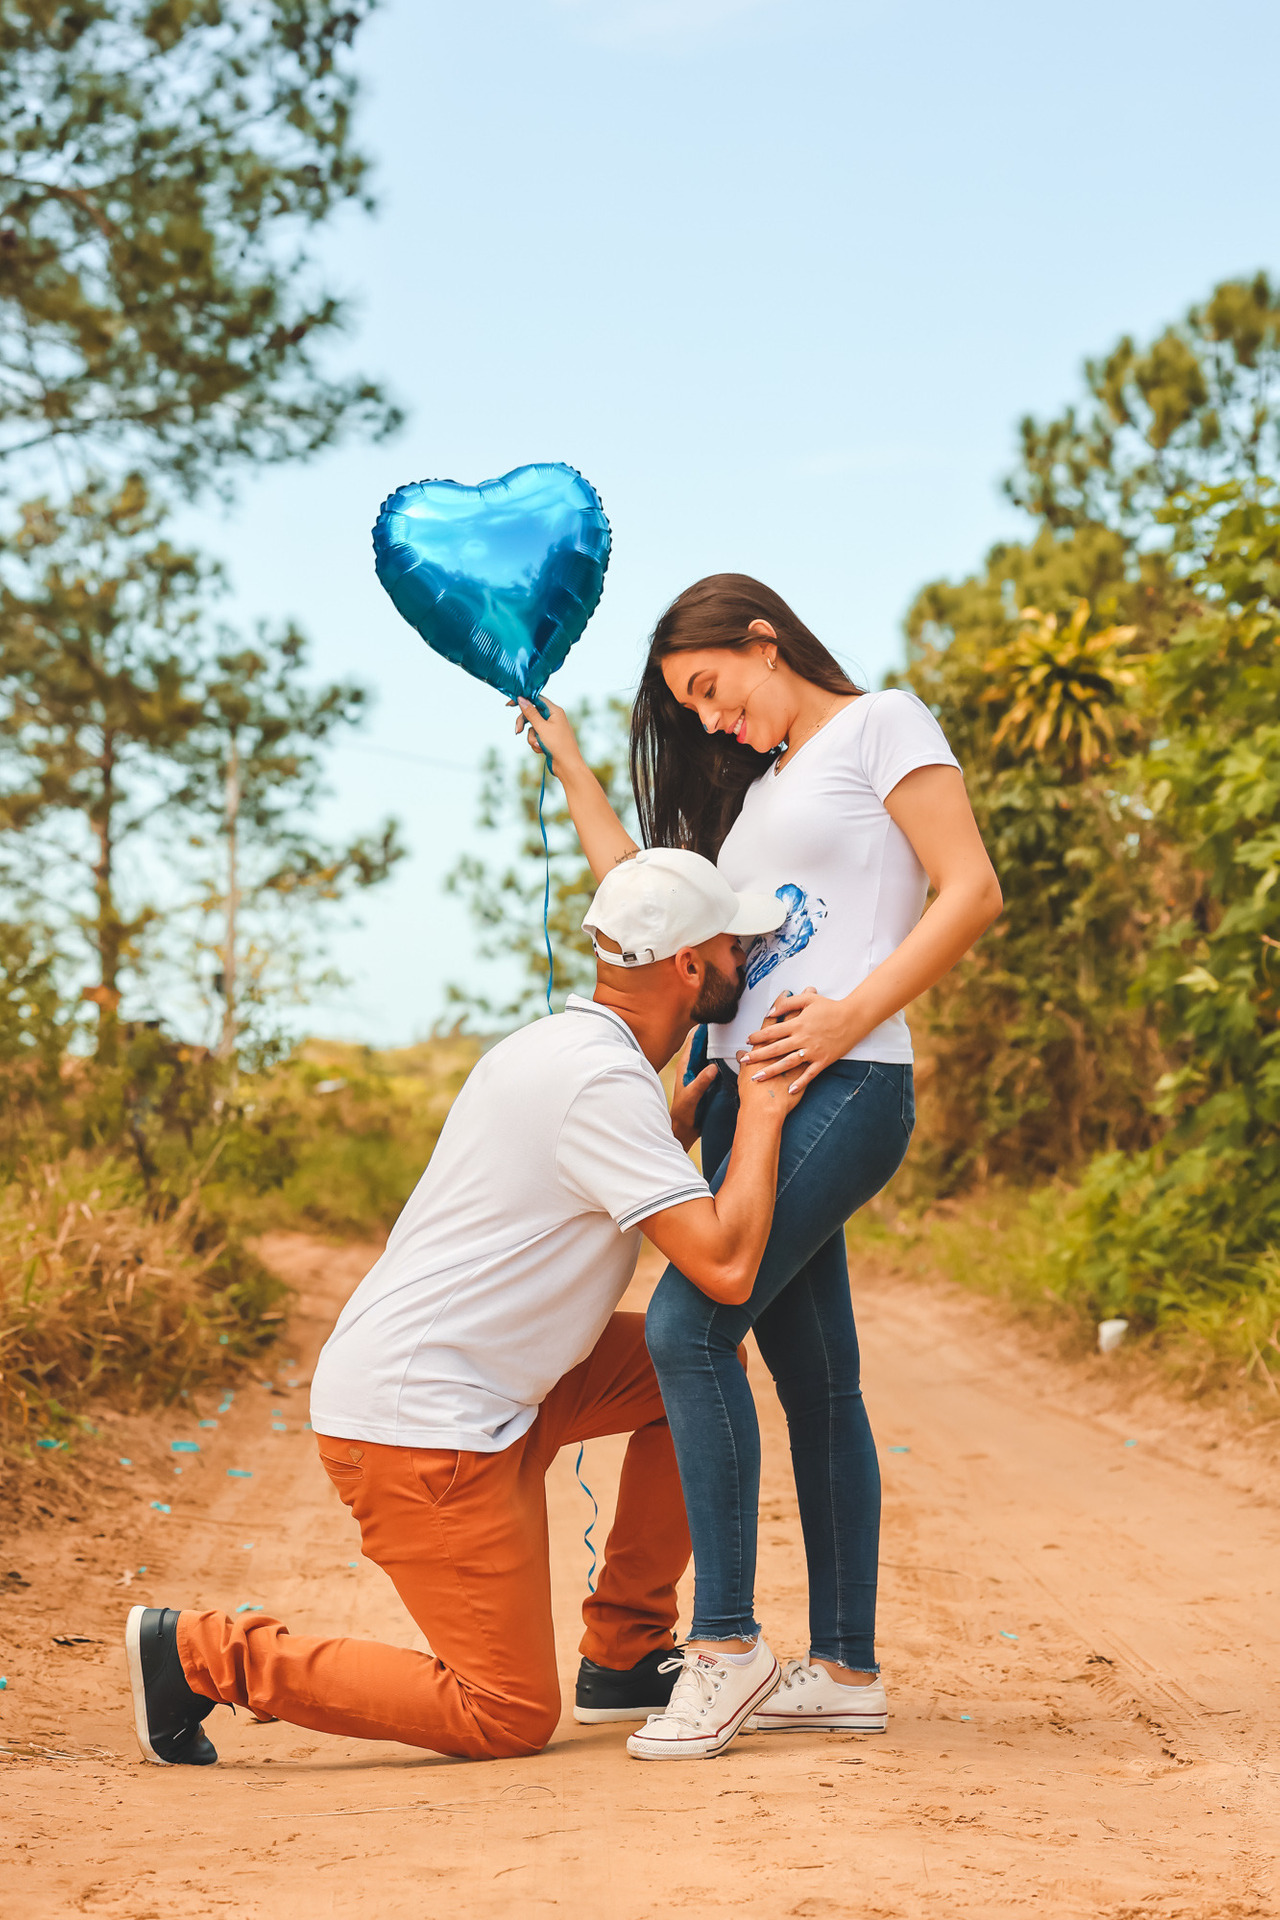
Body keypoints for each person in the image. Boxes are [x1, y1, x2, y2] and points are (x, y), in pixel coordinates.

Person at [124, 848, 804, 1768]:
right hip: (425, 1428)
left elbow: (575, 1180)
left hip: (486, 1384)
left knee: (687, 1365)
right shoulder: (600, 1083)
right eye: (734, 942)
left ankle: (627, 1649)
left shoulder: (564, 1051)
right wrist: (760, 1114)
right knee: (505, 1712)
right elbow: (724, 1264)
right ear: (689, 965)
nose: (748, 958)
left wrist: (675, 1125)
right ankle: (201, 1655)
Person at [515, 573, 1002, 1760]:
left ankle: (724, 1647)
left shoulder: (882, 721)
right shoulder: (757, 797)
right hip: (749, 1100)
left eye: (710, 689)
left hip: (843, 1082)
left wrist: (845, 1019)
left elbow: (970, 889)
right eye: (692, 710)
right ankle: (843, 1669)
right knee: (820, 1388)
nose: (712, 720)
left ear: (761, 638)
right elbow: (641, 893)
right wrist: (571, 765)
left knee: (688, 1328)